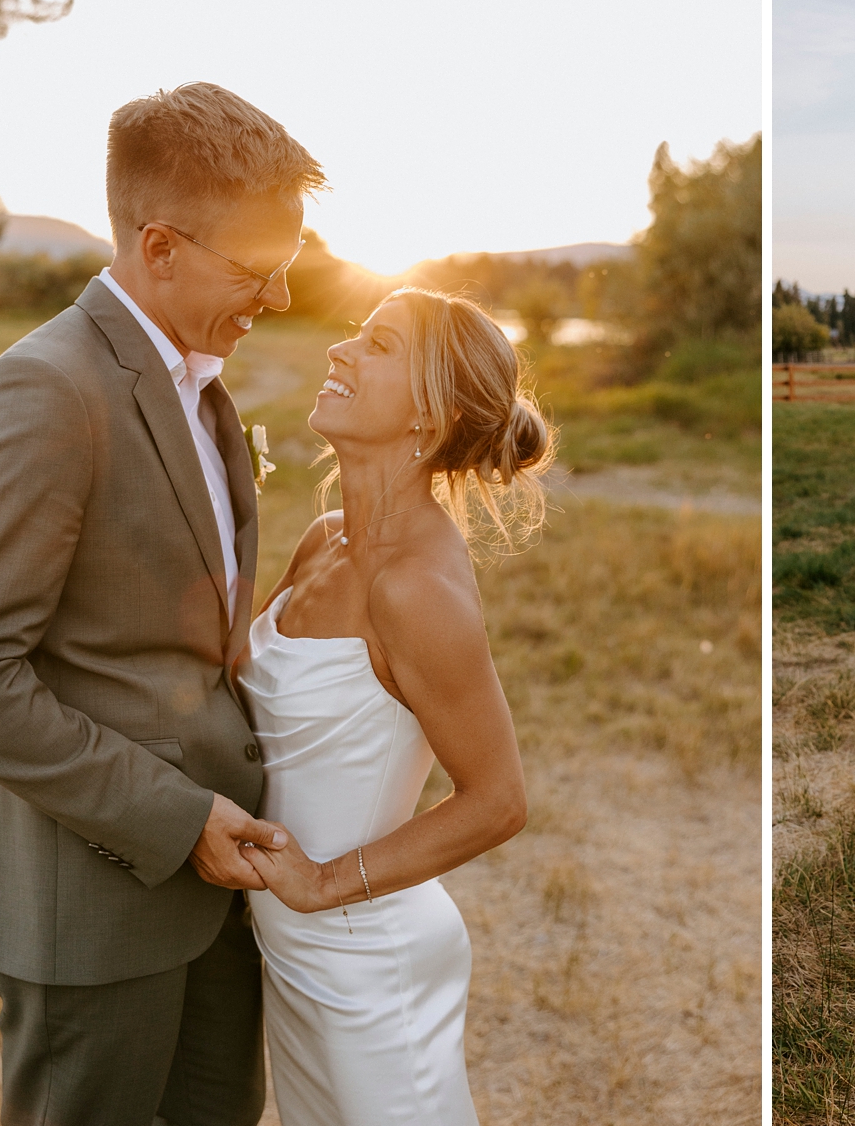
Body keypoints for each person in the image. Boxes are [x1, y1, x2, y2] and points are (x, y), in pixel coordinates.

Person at [0, 82, 324, 1124]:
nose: (275, 300)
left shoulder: (202, 384)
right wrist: (179, 821)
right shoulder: (43, 389)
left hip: (219, 903)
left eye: (289, 268)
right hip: (93, 912)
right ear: (162, 245)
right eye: (258, 271)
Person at [236, 286, 548, 1124]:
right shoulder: (323, 536)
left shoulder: (416, 588)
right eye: (352, 336)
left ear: (430, 413)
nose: (340, 351)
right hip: (289, 946)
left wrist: (324, 880)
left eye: (377, 345)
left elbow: (500, 799)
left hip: (366, 958)